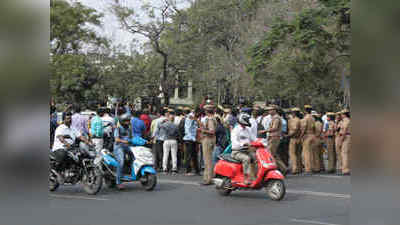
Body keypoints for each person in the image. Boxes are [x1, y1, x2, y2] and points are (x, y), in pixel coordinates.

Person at [51, 112, 93, 183]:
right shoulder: (60, 128)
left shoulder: (73, 128)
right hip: (60, 148)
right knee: (63, 154)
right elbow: (60, 138)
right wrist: (67, 144)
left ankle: (75, 172)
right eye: (67, 119)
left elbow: (80, 136)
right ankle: (57, 171)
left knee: (81, 155)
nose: (69, 120)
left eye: (70, 119)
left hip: (71, 149)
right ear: (64, 119)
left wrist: (89, 143)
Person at [231, 113, 255, 185]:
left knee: (256, 157)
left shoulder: (248, 129)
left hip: (247, 150)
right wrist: (242, 144)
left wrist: (261, 141)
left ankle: (253, 176)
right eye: (247, 120)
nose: (248, 121)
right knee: (246, 159)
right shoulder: (236, 130)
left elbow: (253, 138)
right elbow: (234, 141)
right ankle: (246, 178)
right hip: (237, 152)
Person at [198, 104, 217, 185]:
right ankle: (208, 177)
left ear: (206, 111)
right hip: (210, 139)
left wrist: (202, 130)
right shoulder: (213, 118)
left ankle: (208, 179)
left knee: (207, 160)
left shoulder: (210, 119)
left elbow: (212, 131)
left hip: (208, 139)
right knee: (208, 160)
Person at [113, 114, 133, 190]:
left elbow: (132, 138)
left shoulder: (129, 129)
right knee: (121, 162)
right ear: (122, 121)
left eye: (128, 121)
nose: (127, 122)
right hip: (119, 147)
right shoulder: (118, 129)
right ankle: (118, 182)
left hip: (127, 146)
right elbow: (116, 139)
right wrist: (124, 141)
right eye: (126, 121)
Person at [160, 110, 179, 174]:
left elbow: (159, 126)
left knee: (165, 155)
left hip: (166, 140)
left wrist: (163, 121)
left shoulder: (165, 124)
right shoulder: (176, 125)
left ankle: (164, 169)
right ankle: (174, 169)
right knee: (174, 155)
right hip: (174, 140)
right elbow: (177, 133)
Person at [300, 105, 316, 175]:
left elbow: (303, 128)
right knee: (312, 153)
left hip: (307, 136)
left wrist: (301, 135)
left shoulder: (305, 118)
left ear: (305, 110)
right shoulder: (312, 118)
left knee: (306, 153)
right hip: (313, 135)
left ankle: (308, 169)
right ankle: (312, 167)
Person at [183, 111, 200, 176]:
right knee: (189, 156)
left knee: (194, 155)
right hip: (189, 139)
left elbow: (194, 128)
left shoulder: (193, 119)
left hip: (193, 139)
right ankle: (188, 170)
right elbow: (188, 130)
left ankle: (197, 170)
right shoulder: (189, 118)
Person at [288, 107, 302, 174]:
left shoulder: (295, 120)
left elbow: (294, 129)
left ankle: (295, 168)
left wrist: (288, 135)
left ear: (294, 113)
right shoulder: (300, 119)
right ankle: (299, 168)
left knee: (292, 154)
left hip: (293, 138)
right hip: (299, 138)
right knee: (298, 154)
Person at [338, 109, 351, 175]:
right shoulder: (347, 120)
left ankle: (345, 170)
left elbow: (344, 130)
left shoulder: (346, 120)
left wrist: (341, 140)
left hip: (345, 137)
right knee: (347, 153)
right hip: (347, 137)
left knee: (344, 154)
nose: (341, 115)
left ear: (344, 114)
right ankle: (347, 168)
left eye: (341, 114)